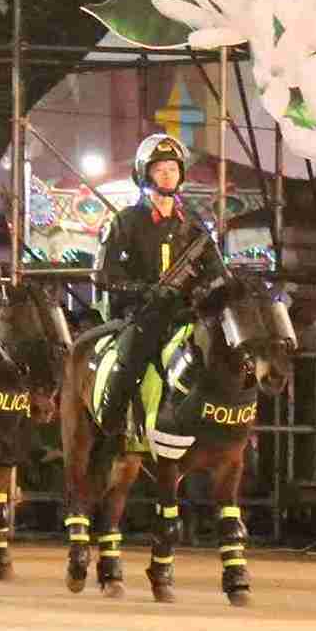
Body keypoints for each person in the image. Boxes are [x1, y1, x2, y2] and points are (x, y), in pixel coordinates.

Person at [93, 134, 223, 439]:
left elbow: (218, 270)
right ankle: (113, 427)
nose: (167, 175)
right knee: (132, 356)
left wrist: (204, 289)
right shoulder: (126, 220)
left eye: (173, 169)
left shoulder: (192, 223)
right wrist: (143, 289)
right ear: (145, 173)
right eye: (160, 169)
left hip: (186, 311)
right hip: (142, 311)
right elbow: (103, 274)